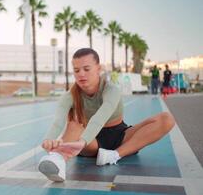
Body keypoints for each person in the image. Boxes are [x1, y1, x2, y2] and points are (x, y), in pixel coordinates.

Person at [38, 48, 175, 182]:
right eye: (76, 70)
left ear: (98, 68)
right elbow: (58, 121)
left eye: (86, 69)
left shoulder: (111, 90)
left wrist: (82, 141)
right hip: (92, 142)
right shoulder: (69, 96)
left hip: (119, 136)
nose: (81, 74)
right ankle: (57, 160)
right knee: (73, 125)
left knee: (166, 119)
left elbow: (101, 116)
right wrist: (48, 140)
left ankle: (114, 155)